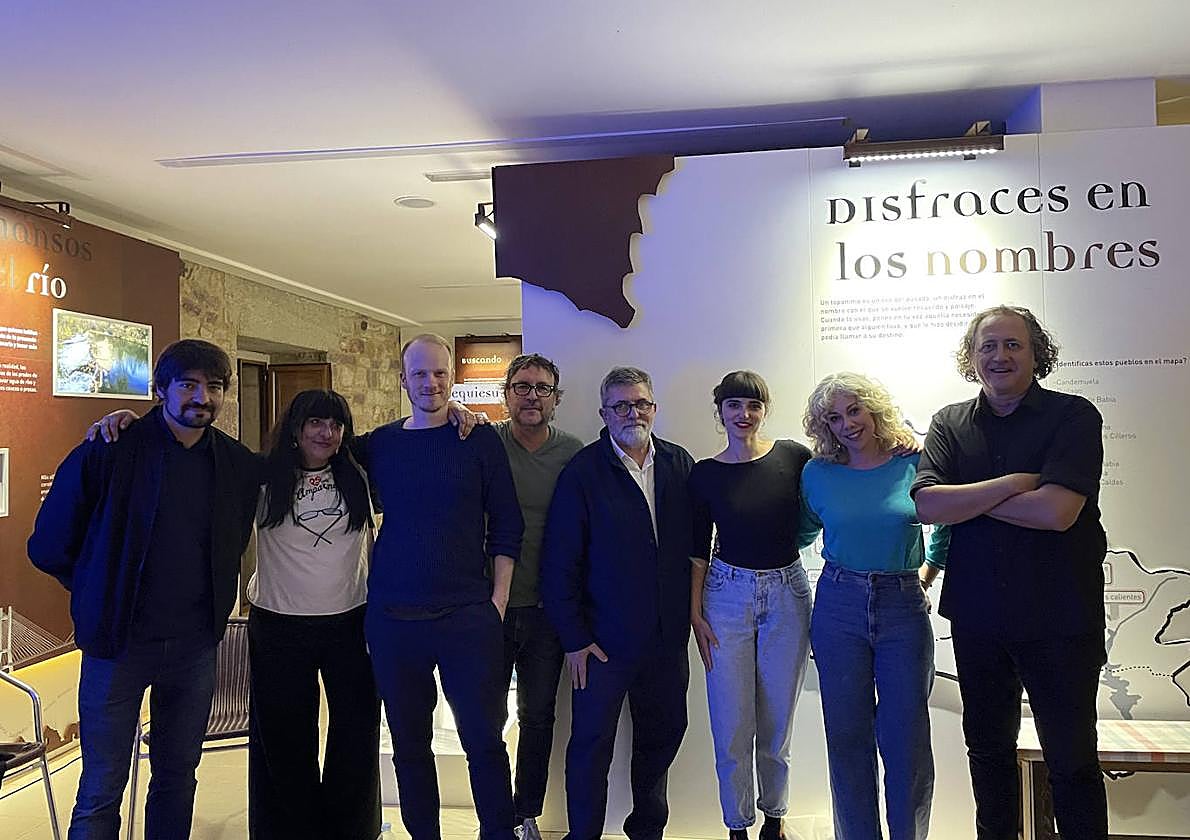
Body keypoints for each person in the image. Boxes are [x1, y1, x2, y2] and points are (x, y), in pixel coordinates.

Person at [28, 339, 261, 840]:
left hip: (195, 647)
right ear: (160, 389)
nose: (203, 397)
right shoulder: (110, 449)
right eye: (188, 384)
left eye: (214, 386)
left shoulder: (236, 465)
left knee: (177, 779)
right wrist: (98, 587)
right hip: (118, 646)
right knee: (101, 786)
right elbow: (47, 545)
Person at [911, 306, 1108, 840]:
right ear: (972, 356)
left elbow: (1057, 512)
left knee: (1071, 759)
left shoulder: (1073, 416)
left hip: (1061, 617)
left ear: (1036, 352)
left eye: (1013, 344)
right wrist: (1016, 483)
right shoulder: (949, 422)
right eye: (988, 345)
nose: (1000, 356)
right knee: (988, 753)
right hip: (980, 617)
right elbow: (928, 506)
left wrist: (969, 500)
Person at [356, 333, 524, 840]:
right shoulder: (380, 444)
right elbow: (314, 446)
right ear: (403, 380)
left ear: (452, 378)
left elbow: (507, 523)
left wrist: (497, 602)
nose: (430, 383)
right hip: (394, 618)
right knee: (409, 746)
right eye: (420, 374)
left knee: (484, 741)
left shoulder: (479, 440)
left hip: (467, 617)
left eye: (439, 373)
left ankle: (497, 832)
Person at [541, 366, 694, 840]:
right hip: (600, 644)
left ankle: (647, 831)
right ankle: (583, 834)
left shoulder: (679, 463)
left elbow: (695, 546)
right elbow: (559, 563)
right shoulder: (583, 473)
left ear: (654, 408)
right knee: (590, 746)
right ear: (604, 413)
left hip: (666, 640)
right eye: (621, 406)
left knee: (663, 737)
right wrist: (574, 639)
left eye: (641, 403)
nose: (633, 413)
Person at [799, 372, 949, 840]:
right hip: (838, 605)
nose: (847, 424)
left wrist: (927, 573)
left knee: (906, 740)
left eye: (854, 410)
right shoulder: (817, 472)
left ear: (874, 409)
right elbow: (801, 531)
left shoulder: (914, 461)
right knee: (847, 740)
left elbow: (945, 523)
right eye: (834, 418)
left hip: (902, 606)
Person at [246, 389, 380, 840]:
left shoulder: (360, 473)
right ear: (295, 428)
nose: (327, 433)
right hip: (278, 624)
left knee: (356, 733)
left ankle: (351, 831)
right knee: (283, 739)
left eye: (336, 425)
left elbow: (414, 435)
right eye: (316, 423)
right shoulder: (263, 476)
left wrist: (458, 412)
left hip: (351, 621)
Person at [687, 371, 813, 840]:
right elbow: (697, 551)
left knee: (778, 722)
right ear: (720, 412)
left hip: (787, 593)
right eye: (734, 405)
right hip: (726, 595)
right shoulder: (705, 473)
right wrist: (695, 612)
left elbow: (837, 478)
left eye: (753, 405)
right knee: (731, 724)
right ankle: (737, 826)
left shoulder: (794, 457)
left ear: (765, 410)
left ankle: (774, 820)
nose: (744, 414)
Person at [492, 354, 584, 840]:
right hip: (491, 606)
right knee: (486, 717)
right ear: (506, 394)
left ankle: (525, 813)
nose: (532, 396)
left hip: (548, 612)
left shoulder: (573, 452)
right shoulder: (485, 443)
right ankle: (494, 815)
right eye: (522, 387)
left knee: (538, 717)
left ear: (556, 398)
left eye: (542, 388)